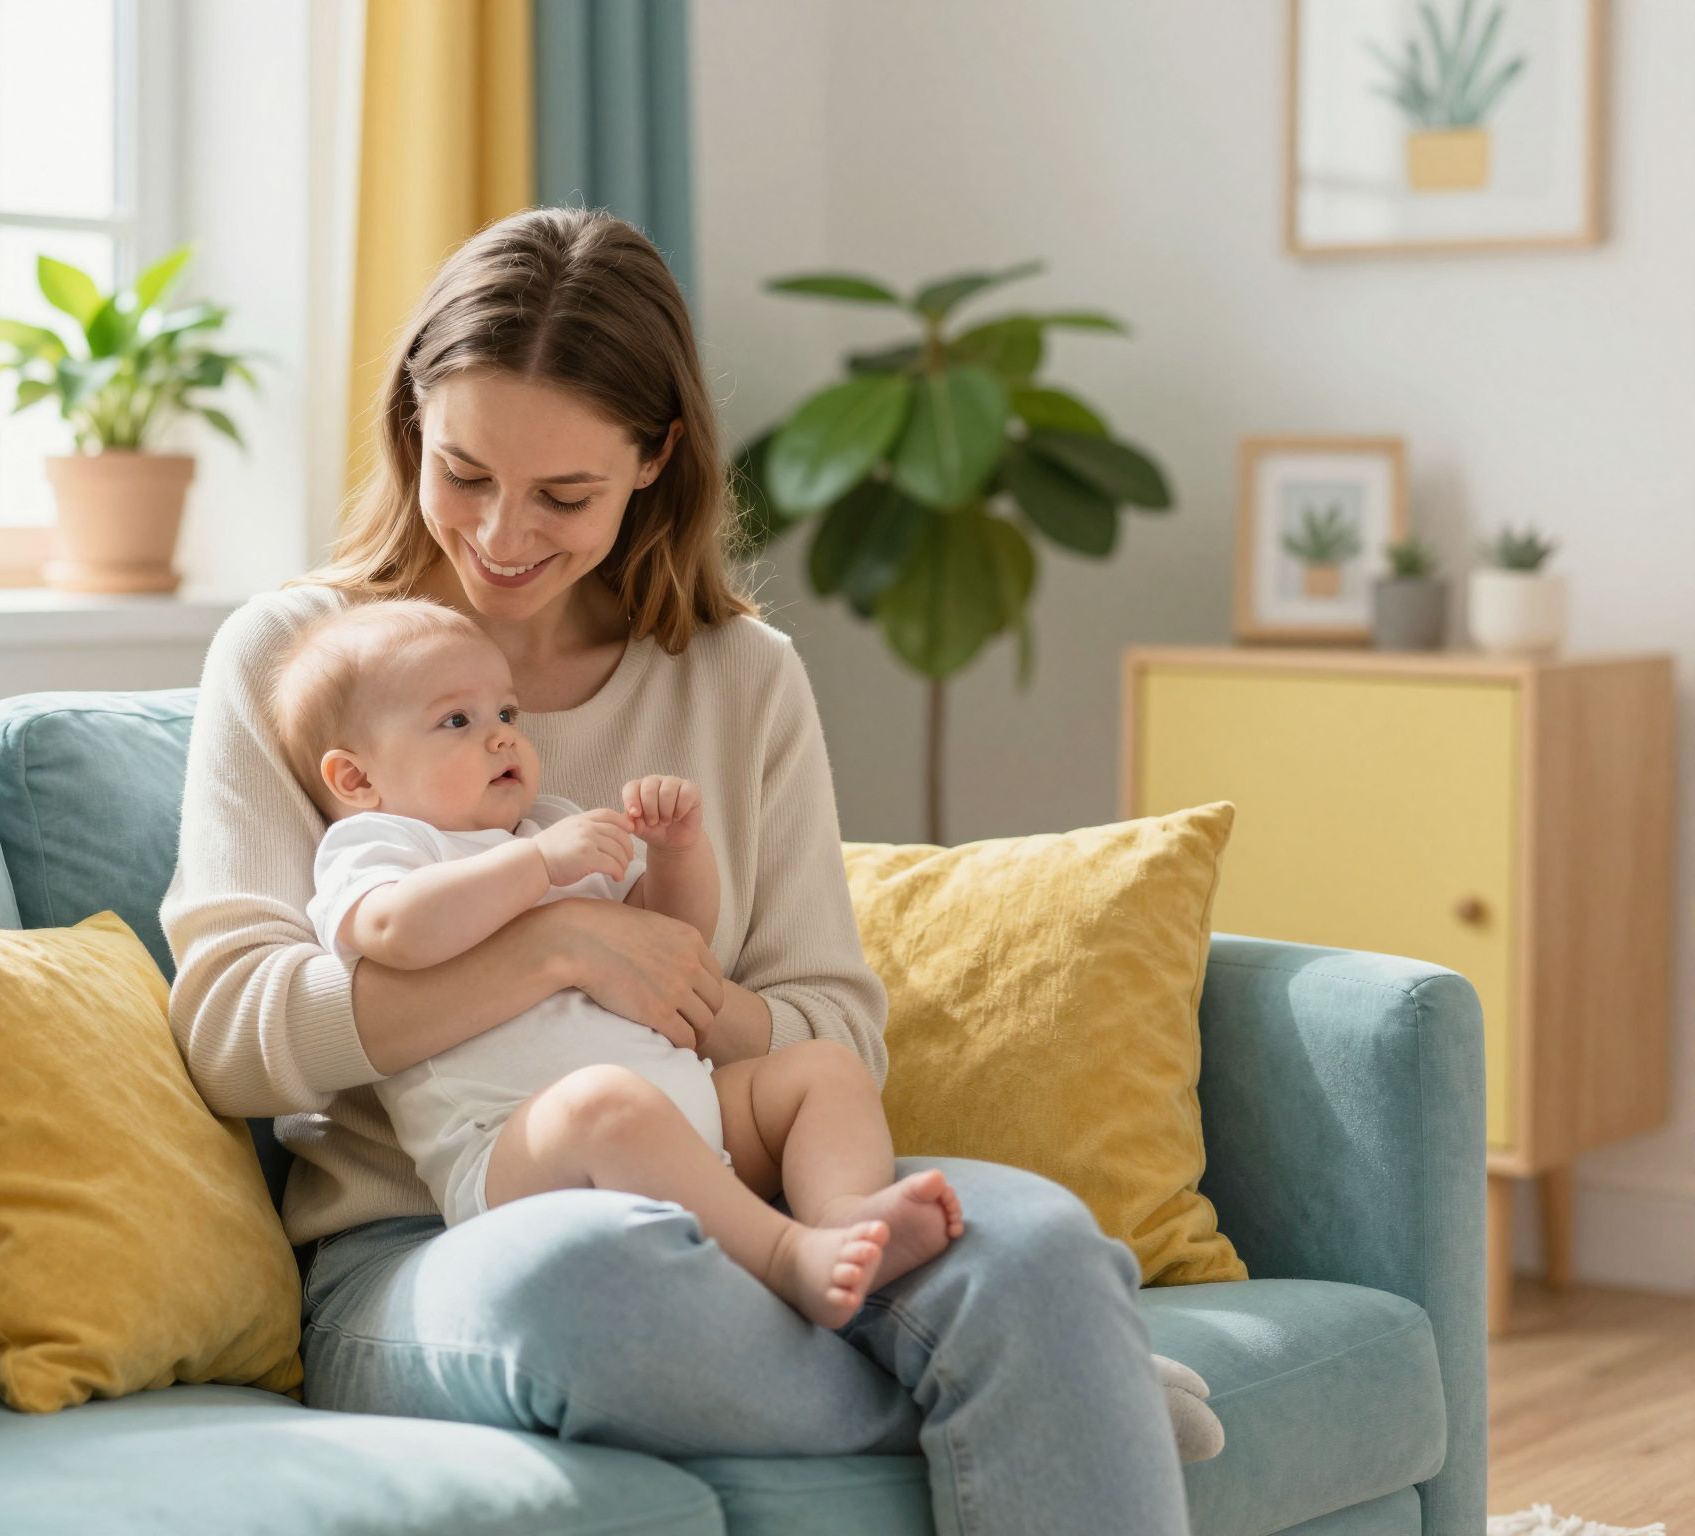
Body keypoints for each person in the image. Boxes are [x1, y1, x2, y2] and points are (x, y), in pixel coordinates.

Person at [161, 206, 1216, 1536]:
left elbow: (832, 1024)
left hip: (739, 1174)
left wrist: (684, 988)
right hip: (435, 1240)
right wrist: (553, 949)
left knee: (1042, 1247)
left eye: (564, 496)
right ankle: (1065, 1386)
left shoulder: (739, 677)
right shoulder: (302, 665)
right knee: (598, 1287)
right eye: (464, 471)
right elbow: (232, 1034)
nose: (500, 535)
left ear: (654, 458)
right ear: (411, 421)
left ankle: (1047, 1355)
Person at [272, 596, 966, 1327]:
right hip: (520, 1155)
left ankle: (845, 1217)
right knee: (604, 1104)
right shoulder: (382, 848)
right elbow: (398, 929)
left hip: (687, 1115)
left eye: (506, 713)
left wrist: (676, 853)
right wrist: (539, 868)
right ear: (356, 780)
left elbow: (672, 943)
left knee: (824, 1070)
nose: (502, 737)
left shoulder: (549, 824)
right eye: (456, 721)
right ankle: (786, 1256)